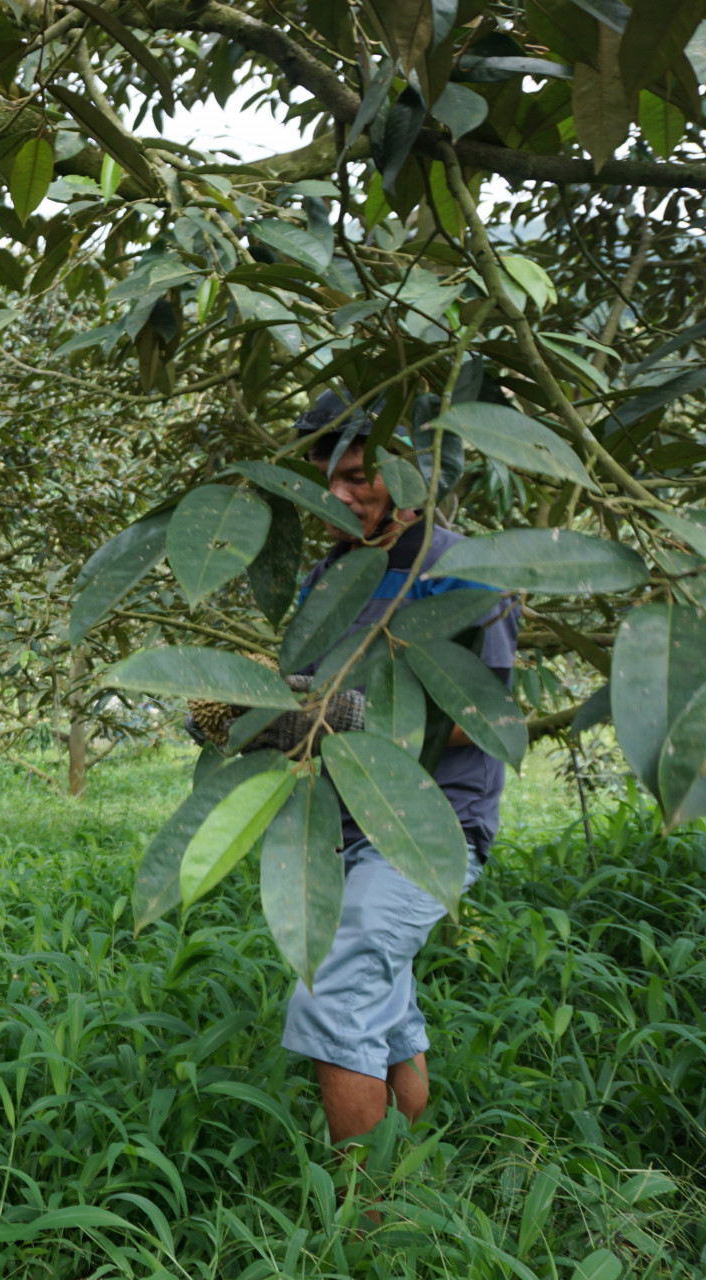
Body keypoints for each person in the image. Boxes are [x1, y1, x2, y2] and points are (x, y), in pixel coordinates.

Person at [282, 392, 520, 1148]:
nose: (340, 496)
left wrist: (355, 721)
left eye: (360, 476)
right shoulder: (327, 576)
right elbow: (310, 693)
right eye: (326, 479)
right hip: (338, 823)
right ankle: (415, 1171)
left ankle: (365, 1218)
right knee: (383, 1002)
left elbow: (478, 717)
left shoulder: (463, 572)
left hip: (425, 826)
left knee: (335, 987)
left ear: (410, 472)